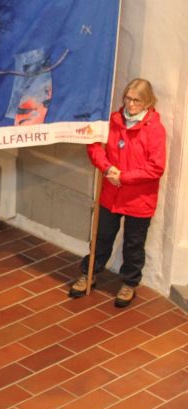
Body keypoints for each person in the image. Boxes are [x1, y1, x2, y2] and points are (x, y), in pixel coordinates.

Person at [69, 78, 166, 308]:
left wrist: (124, 177)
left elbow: (156, 167)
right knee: (102, 237)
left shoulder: (154, 129)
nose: (130, 104)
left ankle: (130, 283)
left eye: (136, 100)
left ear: (147, 102)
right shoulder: (112, 120)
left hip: (139, 199)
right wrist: (107, 167)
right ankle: (90, 272)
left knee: (133, 244)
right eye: (127, 99)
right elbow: (93, 144)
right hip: (111, 195)